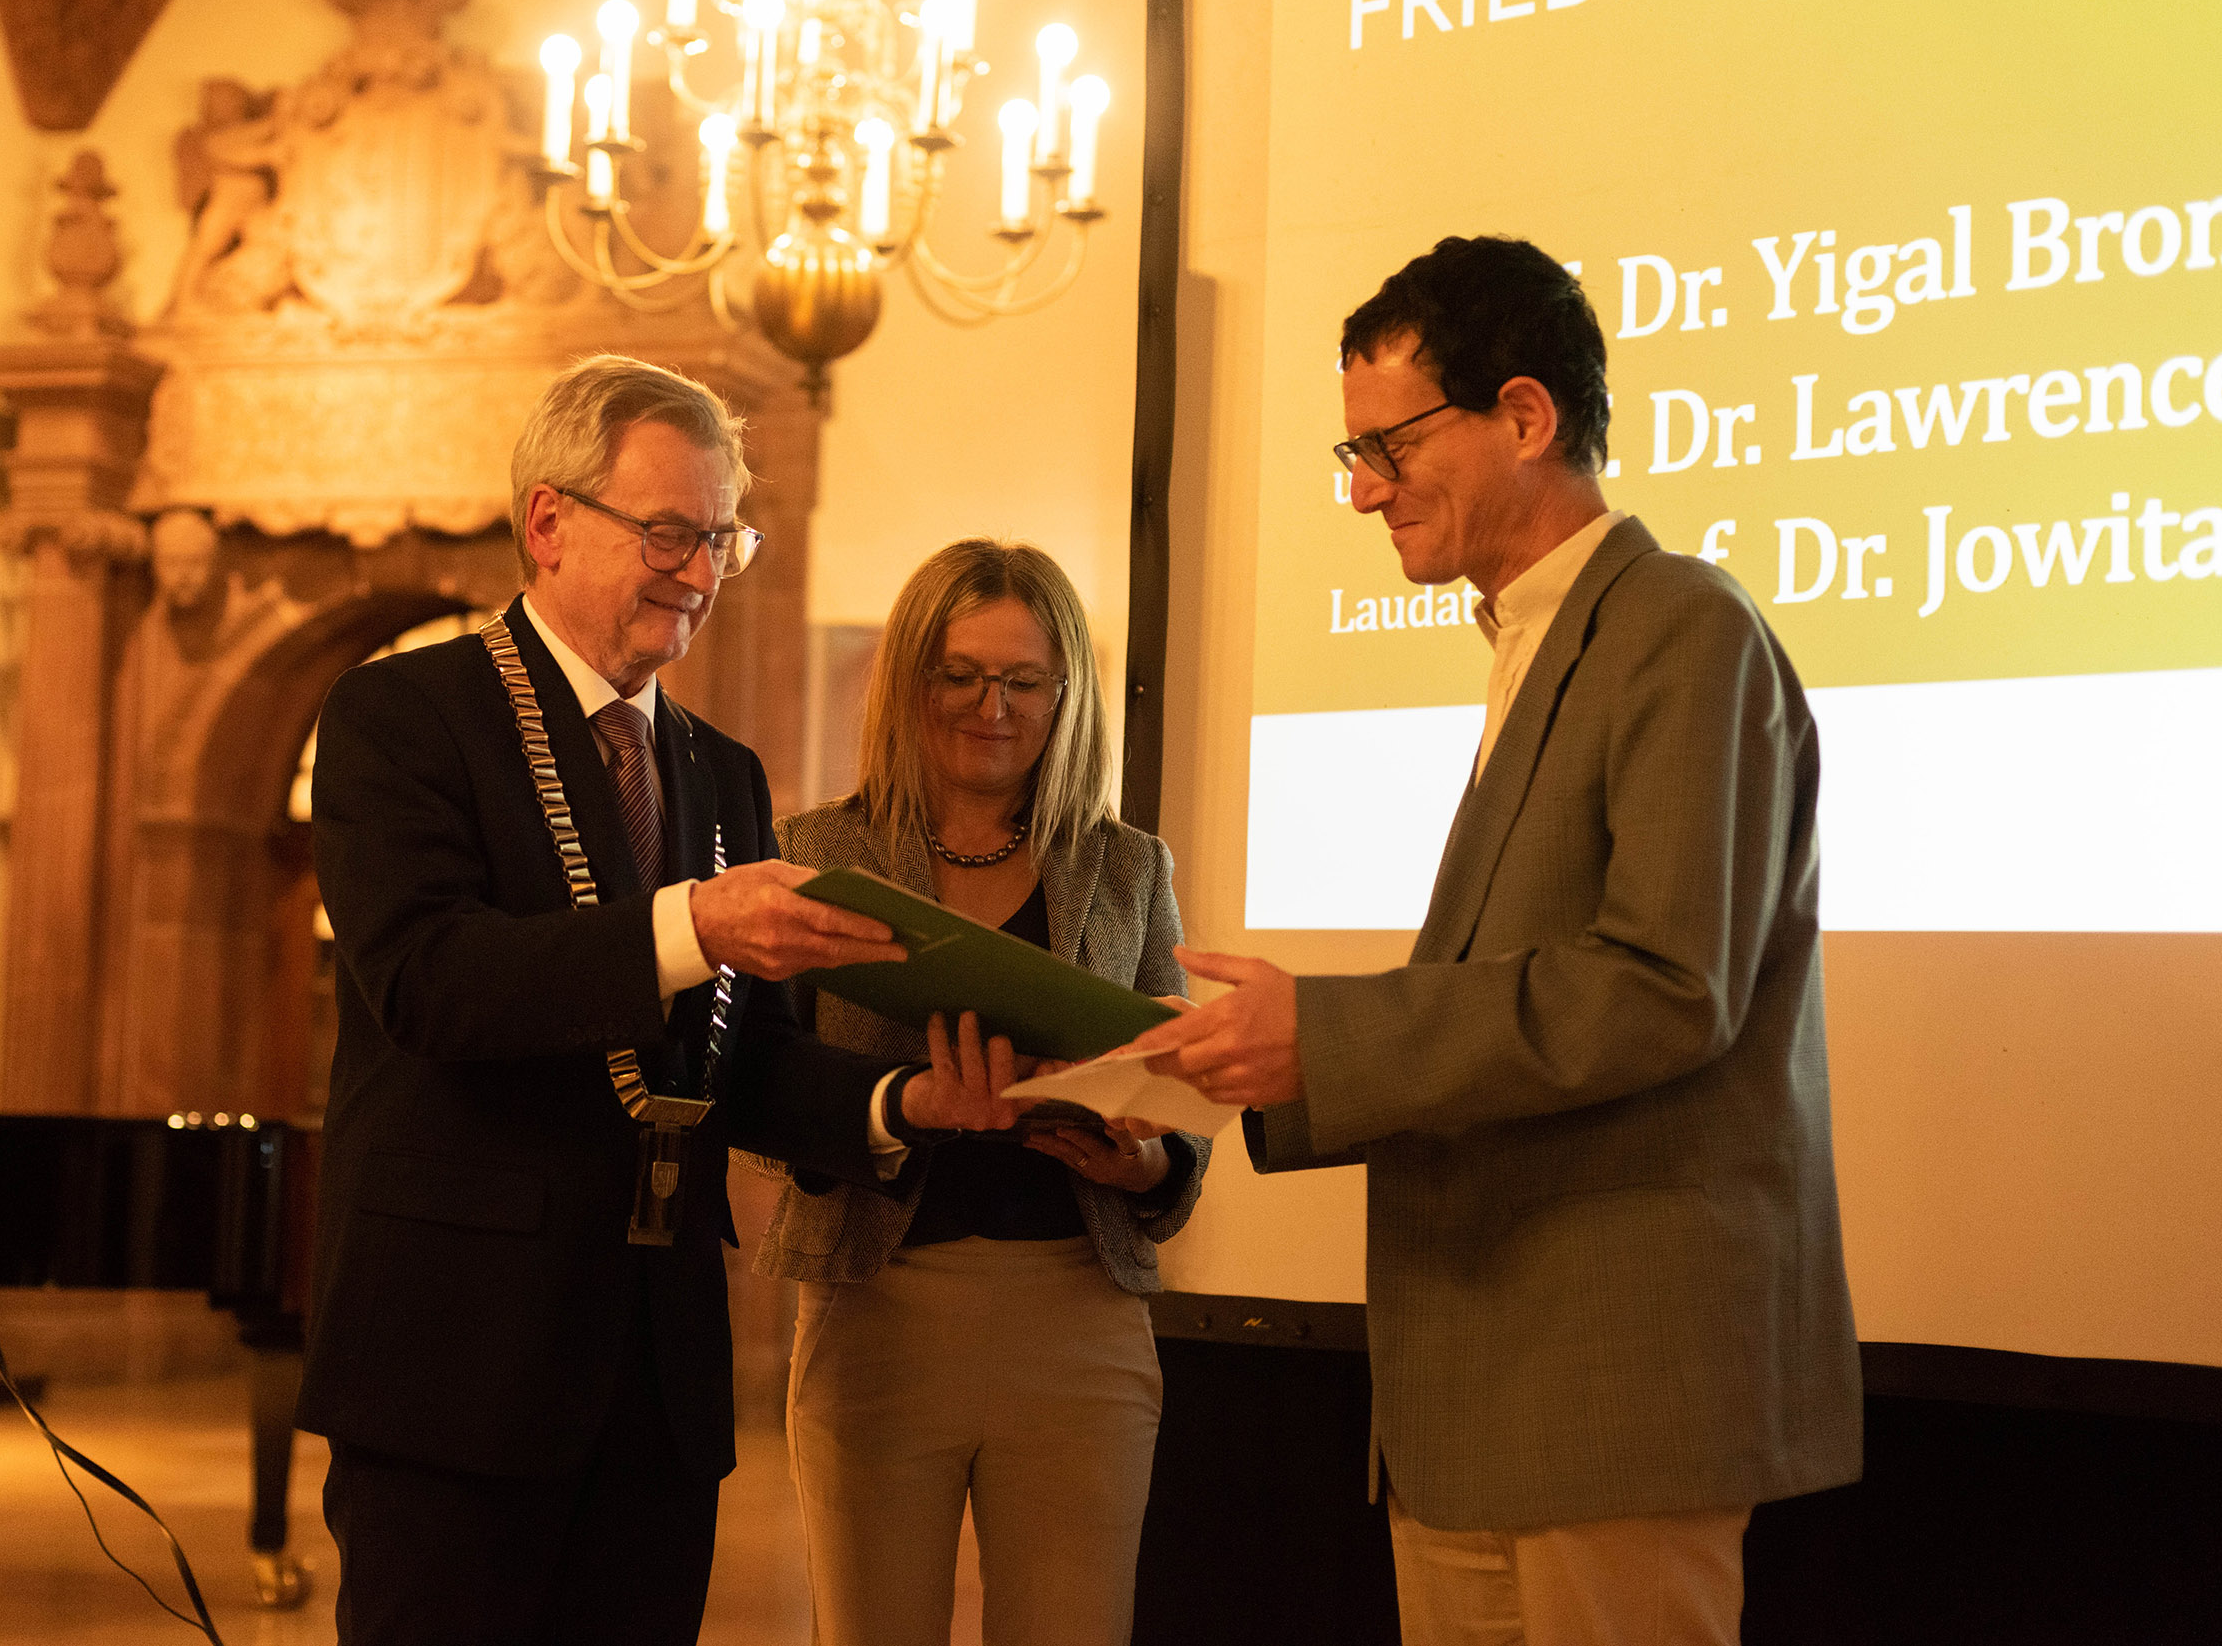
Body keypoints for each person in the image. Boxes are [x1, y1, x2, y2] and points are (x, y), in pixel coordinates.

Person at [1141, 236, 1860, 1645]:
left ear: (1527, 417)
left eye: (1390, 447)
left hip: (1612, 1395)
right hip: (1479, 1395)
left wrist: (1323, 1036)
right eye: (1346, 455)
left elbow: (1662, 987)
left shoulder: (1682, 629)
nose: (1361, 491)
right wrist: (1231, 1075)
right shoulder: (1533, 644)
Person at [302, 354, 1038, 1646]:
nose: (699, 572)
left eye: (721, 538)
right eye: (667, 532)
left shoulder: (717, 769)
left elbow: (735, 1063)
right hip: (457, 1369)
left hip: (655, 1380)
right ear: (546, 522)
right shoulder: (403, 714)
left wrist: (901, 1100)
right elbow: (430, 980)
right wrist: (694, 922)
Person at [760, 538, 1210, 1646]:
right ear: (909, 678)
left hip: (1079, 1317)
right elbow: (768, 1102)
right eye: (958, 674)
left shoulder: (1127, 868)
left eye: (1022, 682)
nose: (989, 707)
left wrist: (1145, 1158)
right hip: (878, 1310)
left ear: (1067, 697)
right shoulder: (816, 854)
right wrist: (910, 1104)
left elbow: (1179, 1098)